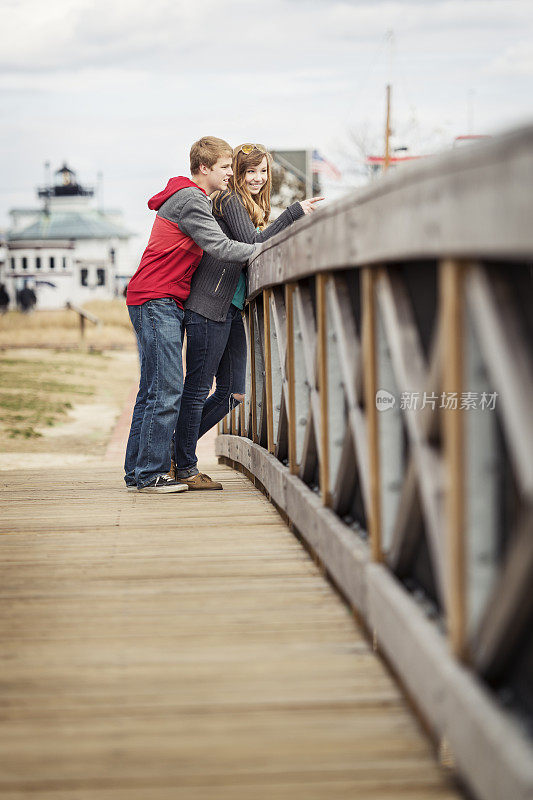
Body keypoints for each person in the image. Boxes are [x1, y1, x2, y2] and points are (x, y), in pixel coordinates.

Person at [172, 143, 323, 490]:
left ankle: (175, 449)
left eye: (262, 171)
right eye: (248, 171)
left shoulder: (248, 205)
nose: (257, 178)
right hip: (208, 305)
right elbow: (253, 243)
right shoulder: (229, 200)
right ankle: (184, 464)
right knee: (197, 390)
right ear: (237, 175)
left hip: (231, 307)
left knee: (233, 394)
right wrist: (294, 213)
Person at [124, 136, 258, 494]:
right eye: (226, 167)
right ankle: (151, 475)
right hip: (157, 299)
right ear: (204, 168)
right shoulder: (192, 200)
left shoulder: (187, 197)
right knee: (166, 388)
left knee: (152, 389)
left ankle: (137, 473)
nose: (232, 173)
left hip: (155, 299)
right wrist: (265, 247)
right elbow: (222, 246)